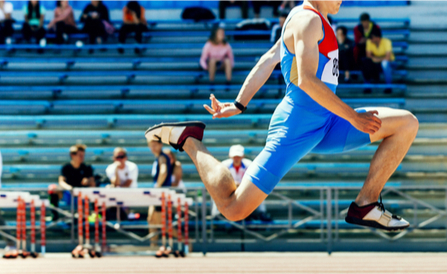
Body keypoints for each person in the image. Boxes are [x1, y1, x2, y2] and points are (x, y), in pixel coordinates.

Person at [145, 0, 416, 231]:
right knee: (234, 208)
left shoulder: (313, 20)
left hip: (327, 122)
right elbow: (307, 81)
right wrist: (354, 118)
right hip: (296, 125)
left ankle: (365, 204)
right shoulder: (307, 20)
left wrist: (239, 104)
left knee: (405, 124)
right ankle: (190, 141)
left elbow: (268, 59)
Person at [212, 145, 269, 221]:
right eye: (235, 156)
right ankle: (216, 213)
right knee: (215, 190)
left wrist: (239, 184)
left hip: (245, 190)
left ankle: (261, 212)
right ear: (230, 156)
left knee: (259, 188)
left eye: (238, 156)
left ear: (242, 156)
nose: (236, 158)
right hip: (229, 191)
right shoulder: (224, 165)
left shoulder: (249, 164)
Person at [147, 140, 172, 247]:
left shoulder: (162, 157)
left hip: (160, 194)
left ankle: (186, 240)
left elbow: (163, 171)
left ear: (161, 145)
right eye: (151, 146)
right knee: (151, 220)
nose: (153, 148)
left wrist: (157, 187)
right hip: (157, 194)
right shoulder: (158, 158)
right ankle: (153, 245)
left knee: (161, 224)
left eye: (155, 145)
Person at [362, 27, 396, 92]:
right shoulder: (369, 42)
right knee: (366, 63)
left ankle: (388, 86)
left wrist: (376, 59)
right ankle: (367, 87)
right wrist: (376, 59)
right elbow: (368, 55)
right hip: (376, 63)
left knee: (385, 63)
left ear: (377, 37)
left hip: (390, 62)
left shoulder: (387, 42)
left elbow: (388, 57)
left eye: (372, 38)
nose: (370, 39)